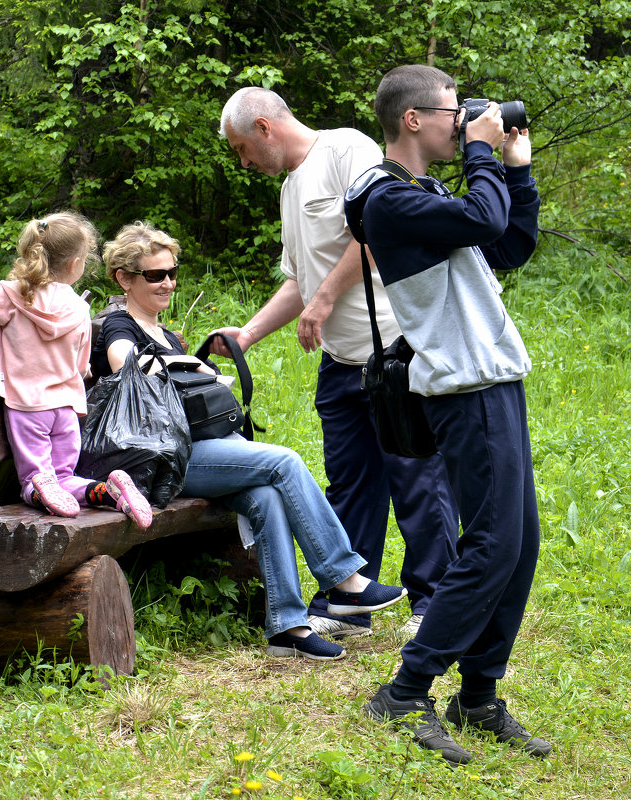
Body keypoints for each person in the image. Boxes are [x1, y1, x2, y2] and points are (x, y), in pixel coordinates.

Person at [343, 65, 551, 763]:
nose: (461, 123)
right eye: (453, 113)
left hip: (494, 380)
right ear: (412, 119)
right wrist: (484, 153)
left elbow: (508, 241)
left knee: (518, 546)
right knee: (491, 543)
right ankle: (403, 692)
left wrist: (513, 167)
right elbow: (483, 216)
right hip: (463, 389)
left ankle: (478, 696)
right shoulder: (385, 201)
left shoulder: (422, 195)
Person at [92, 220, 407, 660]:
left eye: (171, 272)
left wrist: (189, 361)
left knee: (267, 496)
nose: (167, 283)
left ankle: (288, 628)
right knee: (284, 462)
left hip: (194, 446)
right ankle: (342, 580)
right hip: (159, 462)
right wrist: (192, 364)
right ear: (123, 278)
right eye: (154, 275)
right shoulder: (117, 324)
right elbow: (126, 363)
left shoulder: (165, 331)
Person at [213, 87, 459, 642]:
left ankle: (434, 602)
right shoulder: (289, 190)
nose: (244, 162)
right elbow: (300, 280)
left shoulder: (346, 149)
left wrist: (323, 300)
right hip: (341, 361)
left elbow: (379, 230)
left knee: (416, 475)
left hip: (395, 350)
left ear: (264, 127)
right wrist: (248, 335)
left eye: (242, 148)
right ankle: (352, 600)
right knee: (350, 483)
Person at [0, 212, 153, 528]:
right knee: (64, 478)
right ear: (74, 263)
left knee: (34, 482)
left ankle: (40, 483)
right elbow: (82, 367)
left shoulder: (11, 294)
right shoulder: (80, 308)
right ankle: (107, 490)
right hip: (67, 410)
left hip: (27, 408)